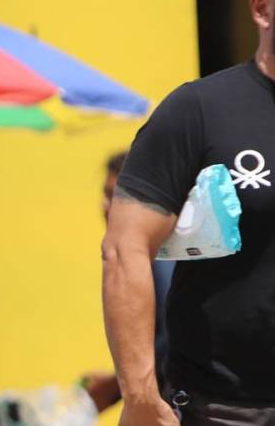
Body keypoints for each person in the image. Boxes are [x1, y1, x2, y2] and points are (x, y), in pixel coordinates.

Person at [102, 0, 275, 425]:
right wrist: (141, 396)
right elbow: (125, 248)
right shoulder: (200, 111)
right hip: (228, 408)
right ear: (261, 6)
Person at [83, 151, 174, 413]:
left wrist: (115, 387)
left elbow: (175, 340)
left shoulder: (158, 258)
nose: (104, 205)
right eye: (105, 194)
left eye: (115, 196)